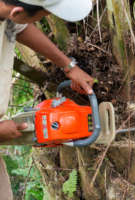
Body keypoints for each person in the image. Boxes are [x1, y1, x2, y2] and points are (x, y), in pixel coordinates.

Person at [0, 0, 94, 199]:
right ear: (16, 11)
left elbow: (20, 27)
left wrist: (69, 66)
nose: (42, 20)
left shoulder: (7, 12)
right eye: (41, 17)